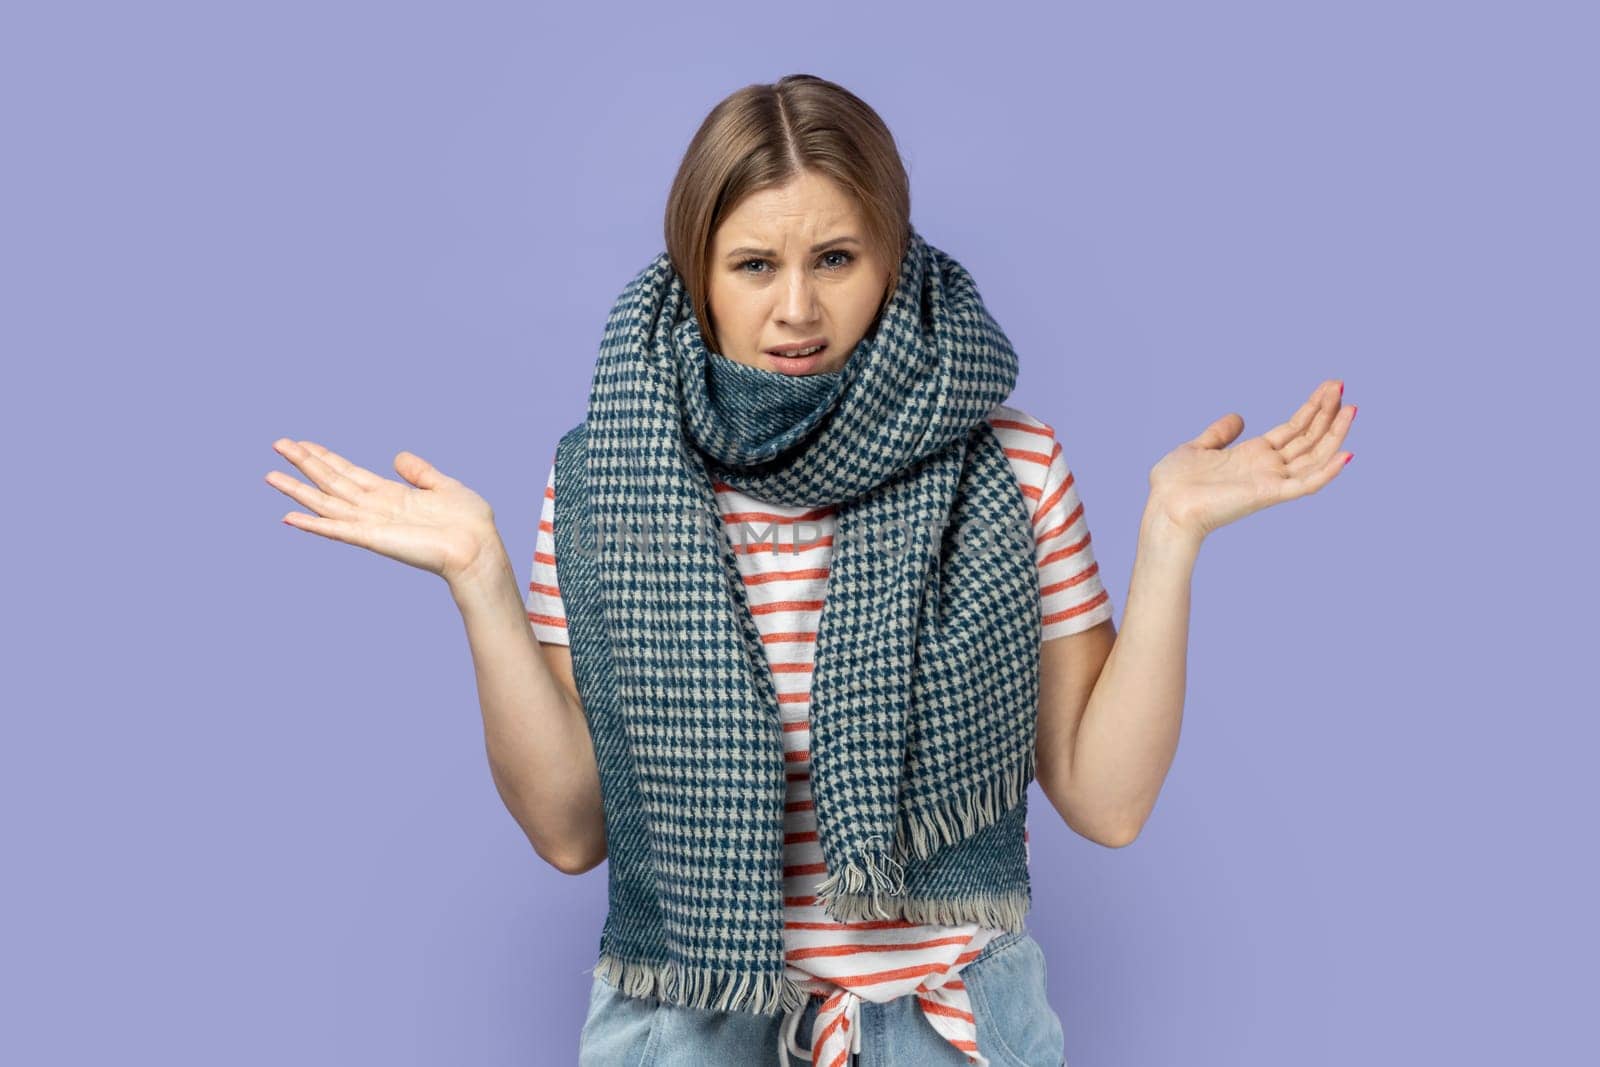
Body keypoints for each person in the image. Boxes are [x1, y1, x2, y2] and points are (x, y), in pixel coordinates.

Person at [265, 73, 1356, 1067]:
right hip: (686, 1025)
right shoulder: (608, 478)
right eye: (754, 264)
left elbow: (1105, 800)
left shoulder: (1008, 466)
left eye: (834, 257)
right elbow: (568, 830)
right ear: (697, 269)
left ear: (891, 251)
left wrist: (1169, 534)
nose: (796, 309)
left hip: (949, 1029)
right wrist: (479, 578)